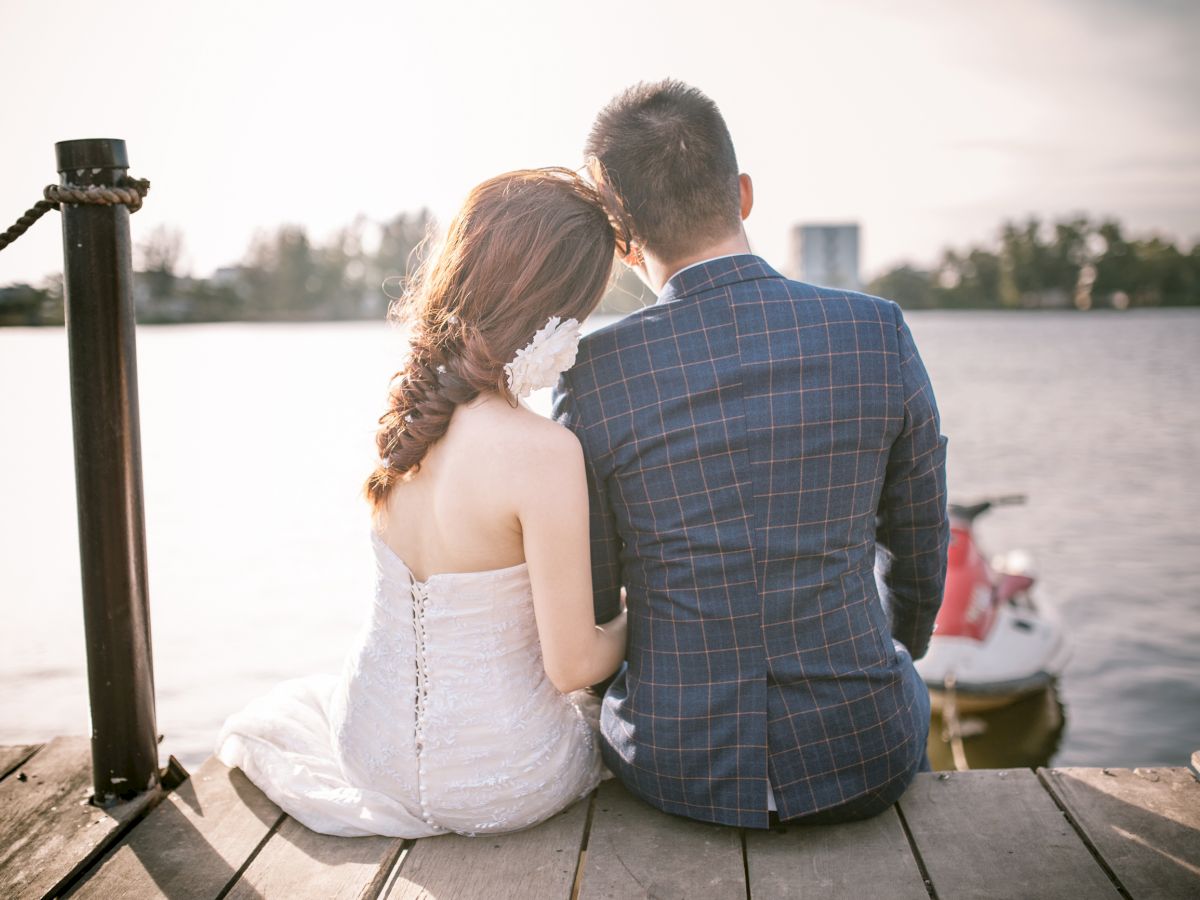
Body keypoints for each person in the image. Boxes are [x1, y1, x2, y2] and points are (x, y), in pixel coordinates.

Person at [553, 80, 949, 828]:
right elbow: (922, 541)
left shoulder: (593, 376)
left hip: (675, 768)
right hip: (864, 752)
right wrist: (892, 650)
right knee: (902, 688)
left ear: (624, 239)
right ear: (742, 193)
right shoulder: (877, 332)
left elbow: (599, 597)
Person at [216, 168, 628, 838]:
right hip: (507, 774)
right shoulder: (544, 452)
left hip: (368, 750)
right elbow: (572, 665)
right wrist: (636, 620)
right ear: (555, 312)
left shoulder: (410, 427)